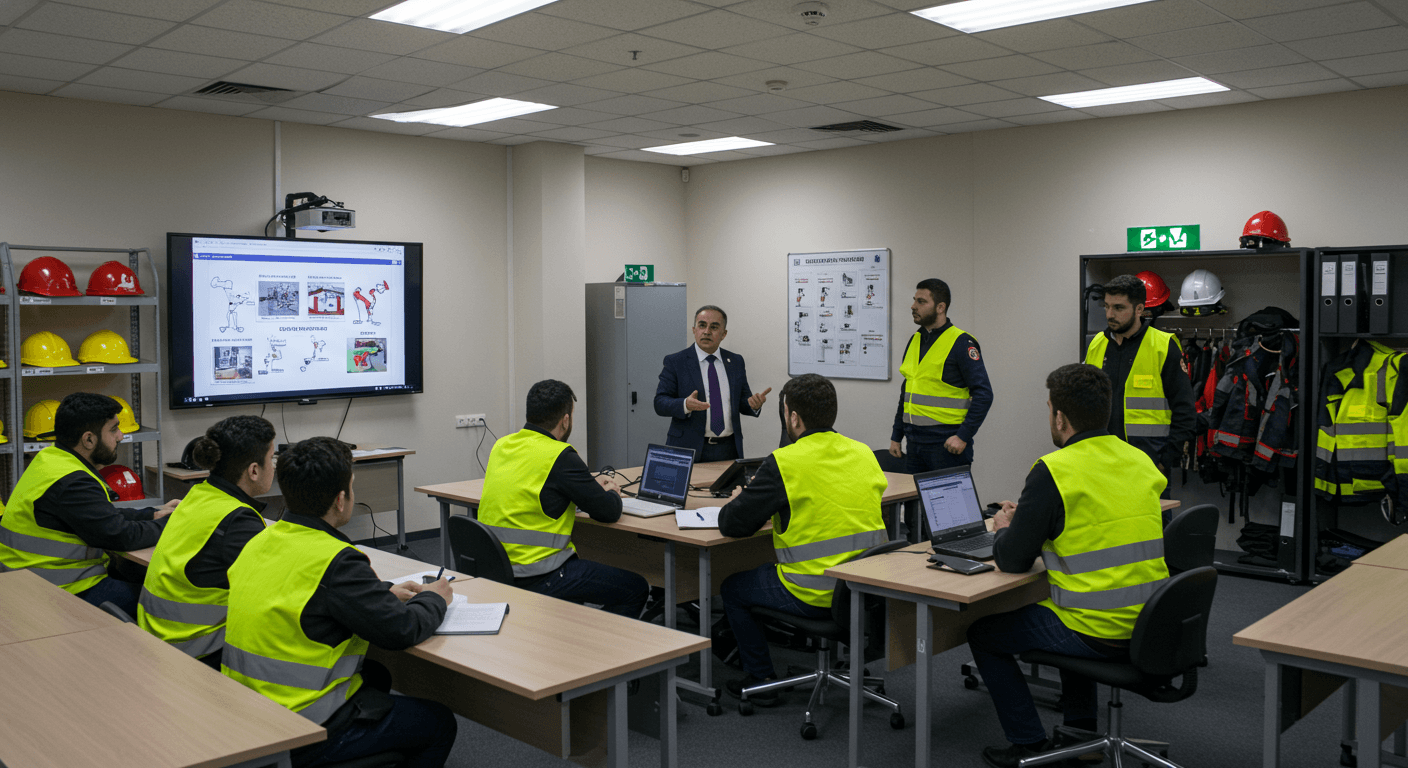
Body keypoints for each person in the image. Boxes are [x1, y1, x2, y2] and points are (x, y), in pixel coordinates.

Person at [966, 364, 1169, 768]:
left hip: (1098, 626)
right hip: (1152, 619)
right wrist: (1035, 518)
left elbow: (1011, 559)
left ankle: (1028, 742)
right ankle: (1081, 730)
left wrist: (1007, 524)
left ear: (1060, 416)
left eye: (1049, 411)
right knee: (1061, 607)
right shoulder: (1140, 461)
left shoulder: (1054, 470)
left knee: (984, 633)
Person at [222, 437, 457, 768]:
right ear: (341, 500)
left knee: (375, 673)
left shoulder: (261, 540)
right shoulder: (337, 560)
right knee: (438, 723)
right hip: (301, 726)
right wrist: (435, 598)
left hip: (247, 708)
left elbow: (302, 593)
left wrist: (379, 594)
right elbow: (402, 630)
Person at [717, 373, 888, 704]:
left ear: (792, 417)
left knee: (732, 588)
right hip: (863, 588)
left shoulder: (785, 462)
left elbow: (732, 525)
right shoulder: (864, 453)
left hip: (812, 590)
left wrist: (739, 499)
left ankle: (761, 678)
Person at [479, 379, 649, 618]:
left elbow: (537, 489)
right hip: (540, 574)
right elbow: (608, 512)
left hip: (497, 569)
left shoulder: (502, 446)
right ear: (565, 420)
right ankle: (602, 651)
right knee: (635, 588)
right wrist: (612, 492)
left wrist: (583, 488)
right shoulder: (560, 455)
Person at [0, 392, 175, 617]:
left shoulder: (53, 460)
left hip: (31, 583)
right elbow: (121, 536)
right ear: (89, 439)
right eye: (113, 429)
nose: (120, 436)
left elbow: (102, 516)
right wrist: (174, 522)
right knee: (163, 601)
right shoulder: (73, 481)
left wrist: (154, 514)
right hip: (60, 591)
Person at [137, 415, 275, 666]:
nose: (274, 466)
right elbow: (273, 593)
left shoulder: (198, 495)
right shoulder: (238, 520)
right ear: (254, 470)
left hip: (158, 637)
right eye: (272, 458)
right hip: (195, 648)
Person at [1085, 274, 1196, 501]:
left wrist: (1165, 462)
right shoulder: (1097, 344)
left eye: (1118, 307)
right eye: (1106, 306)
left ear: (1139, 309)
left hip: (1148, 466)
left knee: (1150, 533)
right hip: (1101, 464)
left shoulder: (1163, 346)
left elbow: (1185, 411)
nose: (1109, 314)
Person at [889, 278, 993, 473]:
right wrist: (897, 435)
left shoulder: (961, 343)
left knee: (950, 504)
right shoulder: (916, 339)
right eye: (914, 300)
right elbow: (907, 392)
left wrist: (963, 436)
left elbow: (984, 394)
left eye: (921, 301)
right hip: (914, 444)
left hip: (946, 446)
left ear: (940, 307)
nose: (913, 306)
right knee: (914, 502)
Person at [655, 305, 771, 462]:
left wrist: (753, 405)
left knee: (731, 487)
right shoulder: (676, 362)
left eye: (714, 327)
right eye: (702, 325)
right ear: (694, 329)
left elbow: (742, 402)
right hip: (689, 447)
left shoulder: (735, 361)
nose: (707, 331)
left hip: (729, 448)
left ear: (724, 334)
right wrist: (685, 405)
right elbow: (660, 403)